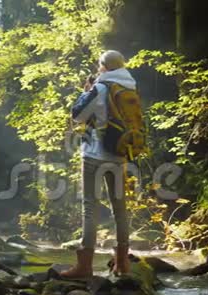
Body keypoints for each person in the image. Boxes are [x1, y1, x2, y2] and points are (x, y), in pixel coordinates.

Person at [62, 50, 136, 278]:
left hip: (95, 153)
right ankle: (122, 263)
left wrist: (86, 93)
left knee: (90, 208)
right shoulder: (129, 87)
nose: (98, 69)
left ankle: (84, 266)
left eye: (99, 65)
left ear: (104, 66)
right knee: (120, 208)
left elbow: (79, 116)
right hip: (120, 154)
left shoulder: (101, 87)